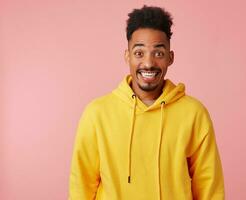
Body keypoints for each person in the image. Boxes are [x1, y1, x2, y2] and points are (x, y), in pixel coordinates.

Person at [69, 5, 225, 200]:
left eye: (158, 53)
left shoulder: (194, 114)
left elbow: (209, 187)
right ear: (127, 56)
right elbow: (81, 187)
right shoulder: (97, 114)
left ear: (170, 57)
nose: (149, 63)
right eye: (139, 53)